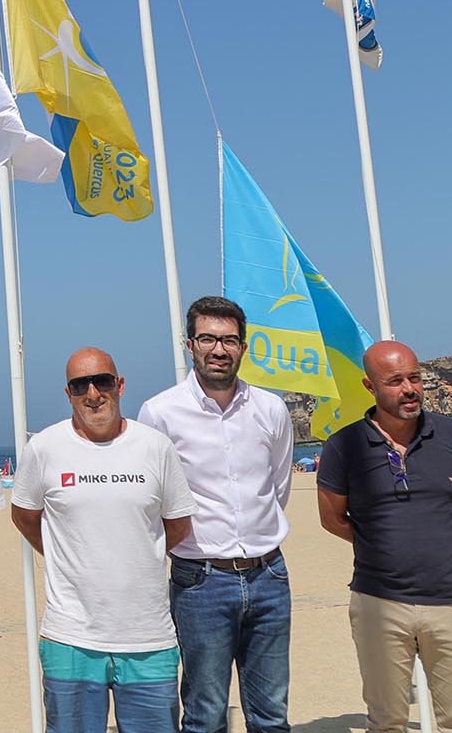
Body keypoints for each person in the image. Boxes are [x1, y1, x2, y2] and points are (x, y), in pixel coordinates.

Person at [12, 347, 195, 733]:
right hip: (71, 638)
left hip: (149, 639)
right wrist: (72, 555)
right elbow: (25, 517)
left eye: (103, 382)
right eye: (81, 385)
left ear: (120, 385)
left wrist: (134, 553)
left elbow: (178, 525)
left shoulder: (155, 446)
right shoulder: (44, 448)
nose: (93, 394)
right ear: (69, 394)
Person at [137, 296, 295, 733]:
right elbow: (153, 497)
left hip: (270, 576)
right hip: (200, 580)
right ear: (190, 344)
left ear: (244, 347)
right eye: (208, 339)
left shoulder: (270, 409)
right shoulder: (160, 412)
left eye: (229, 340)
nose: (219, 350)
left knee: (271, 713)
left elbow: (277, 487)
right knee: (205, 713)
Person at [317, 340, 452, 733]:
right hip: (379, 604)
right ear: (370, 386)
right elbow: (332, 518)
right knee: (386, 721)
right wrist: (383, 547)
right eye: (395, 381)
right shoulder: (344, 446)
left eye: (415, 378)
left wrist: (442, 550)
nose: (409, 388)